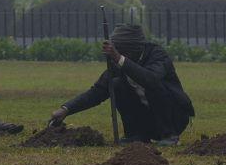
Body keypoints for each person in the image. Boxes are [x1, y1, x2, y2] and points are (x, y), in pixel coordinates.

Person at [49, 24, 194, 146]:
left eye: (120, 51)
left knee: (153, 86)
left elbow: (151, 80)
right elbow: (97, 92)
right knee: (116, 84)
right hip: (148, 122)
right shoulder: (117, 65)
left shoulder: (157, 55)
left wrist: (120, 58)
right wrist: (66, 109)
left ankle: (169, 136)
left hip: (174, 119)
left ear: (134, 49)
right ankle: (136, 135)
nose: (116, 56)